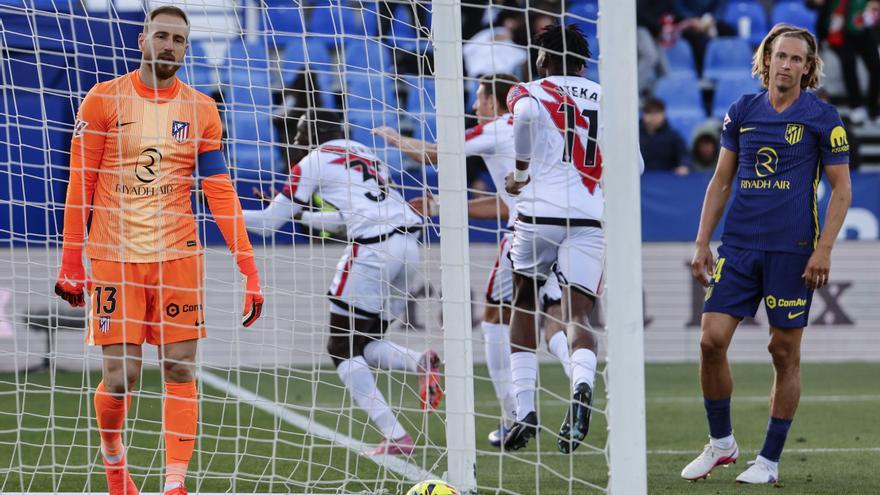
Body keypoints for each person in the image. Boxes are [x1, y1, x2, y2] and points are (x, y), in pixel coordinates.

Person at [53, 7, 265, 495]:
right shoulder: (103, 99)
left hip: (178, 256)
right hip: (114, 256)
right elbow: (80, 184)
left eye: (179, 39)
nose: (170, 45)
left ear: (186, 48)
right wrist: (70, 264)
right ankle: (114, 464)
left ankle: (174, 484)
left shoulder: (202, 109)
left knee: (179, 366)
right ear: (142, 39)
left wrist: (249, 269)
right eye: (162, 36)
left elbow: (219, 191)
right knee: (121, 376)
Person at [681, 24, 852, 484]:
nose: (787, 65)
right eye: (781, 56)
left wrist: (824, 249)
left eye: (797, 59)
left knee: (782, 351)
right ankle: (722, 444)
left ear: (808, 67)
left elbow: (841, 189)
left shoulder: (823, 117)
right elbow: (721, 180)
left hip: (792, 252)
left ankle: (769, 461)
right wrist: (702, 241)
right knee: (710, 341)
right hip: (739, 247)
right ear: (767, 59)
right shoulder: (742, 111)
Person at [374, 73, 570, 449]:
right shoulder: (541, 132)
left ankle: (515, 415)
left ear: (496, 102)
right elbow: (505, 202)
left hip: (524, 234)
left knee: (495, 317)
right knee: (555, 317)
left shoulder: (498, 128)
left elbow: (433, 153)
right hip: (566, 229)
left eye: (480, 97)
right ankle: (580, 378)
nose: (475, 105)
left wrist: (395, 138)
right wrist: (440, 207)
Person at [242, 109, 442, 456]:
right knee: (365, 343)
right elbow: (343, 219)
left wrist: (217, 209)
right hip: (409, 247)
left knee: (340, 347)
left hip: (374, 250)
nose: (295, 141)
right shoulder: (364, 152)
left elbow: (267, 225)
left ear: (315, 133)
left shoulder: (312, 161)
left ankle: (396, 436)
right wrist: (302, 214)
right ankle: (418, 361)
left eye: (299, 133)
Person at [504, 24, 642, 454]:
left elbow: (526, 118)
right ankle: (582, 383)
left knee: (524, 300)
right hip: (590, 216)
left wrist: (521, 173)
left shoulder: (529, 90)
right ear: (583, 64)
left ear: (543, 58)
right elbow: (636, 166)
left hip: (539, 210)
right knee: (577, 313)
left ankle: (525, 409)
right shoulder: (609, 97)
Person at [639, 96, 692, 175]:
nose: (653, 116)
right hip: (640, 178)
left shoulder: (673, 136)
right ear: (643, 114)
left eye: (657, 112)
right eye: (649, 112)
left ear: (664, 114)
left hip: (667, 178)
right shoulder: (635, 137)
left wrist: (684, 166)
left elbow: (684, 154)